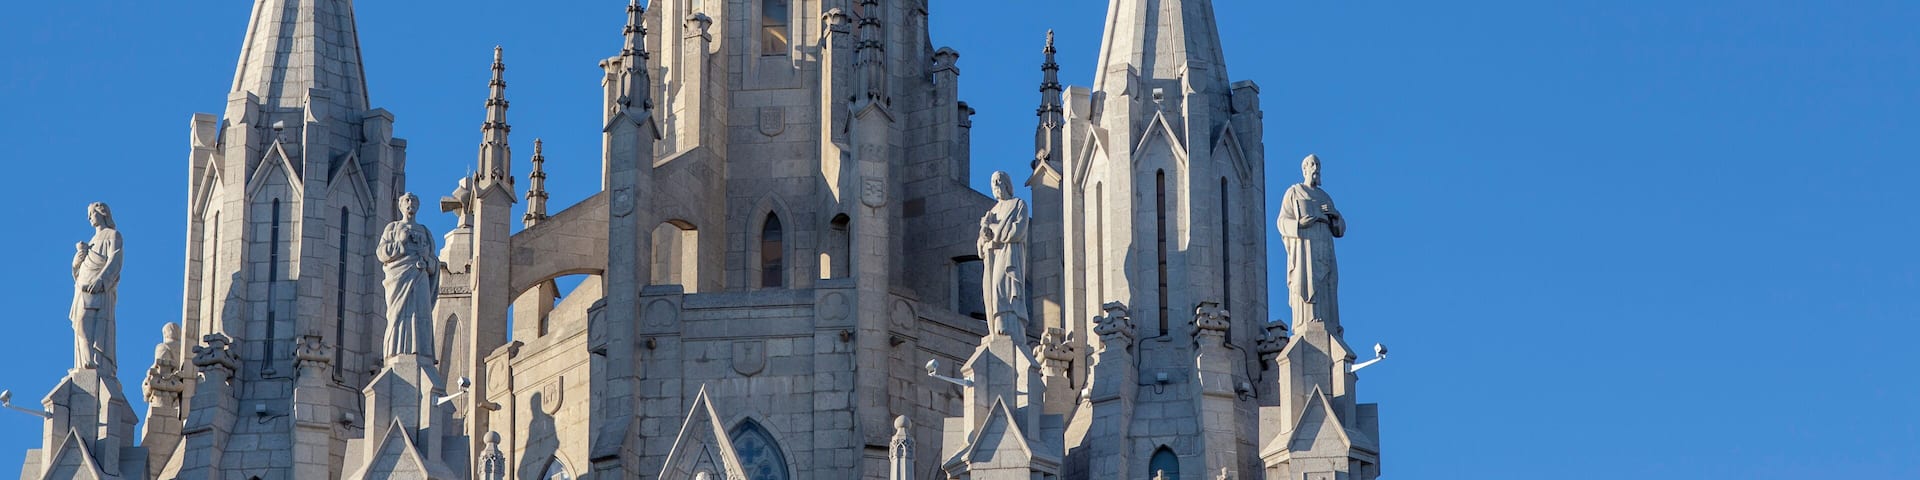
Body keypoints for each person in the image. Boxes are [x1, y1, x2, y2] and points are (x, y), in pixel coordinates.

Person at [1276, 154, 1346, 328]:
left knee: (1326, 283)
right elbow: (1282, 221)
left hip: (1324, 246)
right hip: (1304, 248)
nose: (1316, 168)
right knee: (1306, 282)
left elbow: (1340, 229)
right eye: (1312, 164)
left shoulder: (1325, 197)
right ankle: (1306, 321)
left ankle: (1329, 323)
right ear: (1305, 169)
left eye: (1318, 165)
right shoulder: (1294, 192)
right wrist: (1299, 224)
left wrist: (1335, 215)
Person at [378, 193, 440, 362]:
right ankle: (395, 352)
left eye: (413, 201)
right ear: (400, 206)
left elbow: (434, 263)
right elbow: (381, 253)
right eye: (407, 200)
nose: (410, 203)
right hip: (399, 278)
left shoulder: (425, 231)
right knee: (397, 314)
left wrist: (427, 259)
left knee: (421, 313)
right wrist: (401, 243)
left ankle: (422, 353)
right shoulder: (392, 228)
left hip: (420, 277)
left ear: (418, 206)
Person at [71, 202, 123, 370]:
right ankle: (85, 361)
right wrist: (79, 257)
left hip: (99, 289)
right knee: (80, 322)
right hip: (83, 288)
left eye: (91, 213)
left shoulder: (113, 235)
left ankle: (96, 361)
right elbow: (78, 269)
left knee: (94, 325)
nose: (89, 217)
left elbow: (114, 260)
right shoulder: (91, 242)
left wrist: (101, 281)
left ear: (102, 213)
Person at [976, 171, 1029, 336]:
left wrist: (992, 227)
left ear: (1006, 183)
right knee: (993, 293)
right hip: (992, 257)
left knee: (1003, 288)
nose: (996, 185)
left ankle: (1010, 326)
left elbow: (1016, 232)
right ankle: (996, 328)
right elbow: (980, 246)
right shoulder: (992, 212)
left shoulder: (1018, 204)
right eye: (993, 182)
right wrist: (984, 235)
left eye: (999, 181)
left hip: (1009, 255)